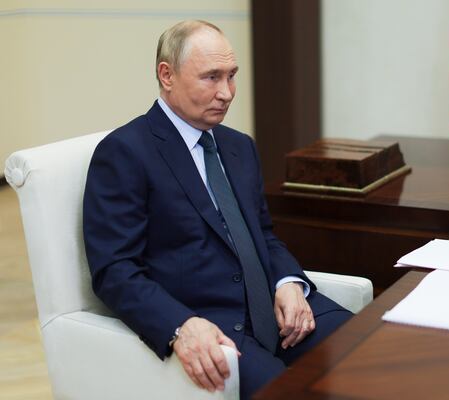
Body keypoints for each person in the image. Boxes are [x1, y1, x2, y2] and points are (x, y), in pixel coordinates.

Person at [83, 20, 352, 399]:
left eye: (232, 76)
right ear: (167, 75)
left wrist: (287, 281)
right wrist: (180, 326)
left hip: (276, 313)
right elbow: (115, 271)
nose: (226, 93)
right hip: (213, 323)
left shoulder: (239, 146)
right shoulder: (126, 152)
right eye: (211, 77)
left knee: (370, 352)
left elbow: (263, 234)